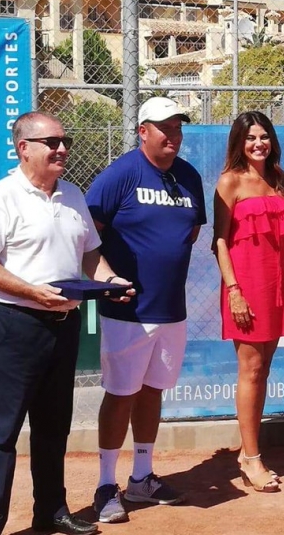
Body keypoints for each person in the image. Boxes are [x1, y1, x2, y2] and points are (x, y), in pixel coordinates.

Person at [0, 112, 132, 535]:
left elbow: (91, 256)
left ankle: (51, 513)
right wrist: (31, 291)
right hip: (16, 324)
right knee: (1, 433)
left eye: (66, 141)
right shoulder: (1, 196)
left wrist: (111, 280)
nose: (62, 149)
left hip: (64, 326)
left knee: (53, 426)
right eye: (52, 142)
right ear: (24, 148)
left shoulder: (74, 195)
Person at [85, 97, 206, 522]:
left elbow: (189, 233)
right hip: (127, 311)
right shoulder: (120, 175)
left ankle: (141, 478)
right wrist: (108, 278)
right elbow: (87, 235)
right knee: (121, 395)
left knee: (153, 391)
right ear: (142, 131)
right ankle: (105, 484)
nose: (173, 136)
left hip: (172, 309)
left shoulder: (189, 176)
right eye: (164, 128)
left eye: (177, 128)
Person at [213, 111, 284, 493]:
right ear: (239, 143)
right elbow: (219, 240)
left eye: (263, 136)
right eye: (250, 138)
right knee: (250, 370)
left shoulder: (281, 181)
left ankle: (249, 450)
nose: (258, 143)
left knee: (263, 368)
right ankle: (251, 458)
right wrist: (233, 291)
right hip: (245, 286)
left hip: (278, 284)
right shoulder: (229, 182)